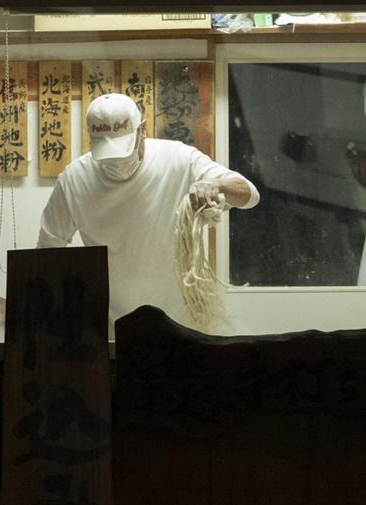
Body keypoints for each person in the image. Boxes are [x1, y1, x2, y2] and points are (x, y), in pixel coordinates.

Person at [37, 92, 258, 328]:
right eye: (107, 155)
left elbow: (250, 195)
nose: (116, 163)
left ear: (142, 131)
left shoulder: (177, 159)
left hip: (181, 322)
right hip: (111, 325)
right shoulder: (74, 179)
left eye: (124, 151)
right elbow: (47, 252)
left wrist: (215, 184)